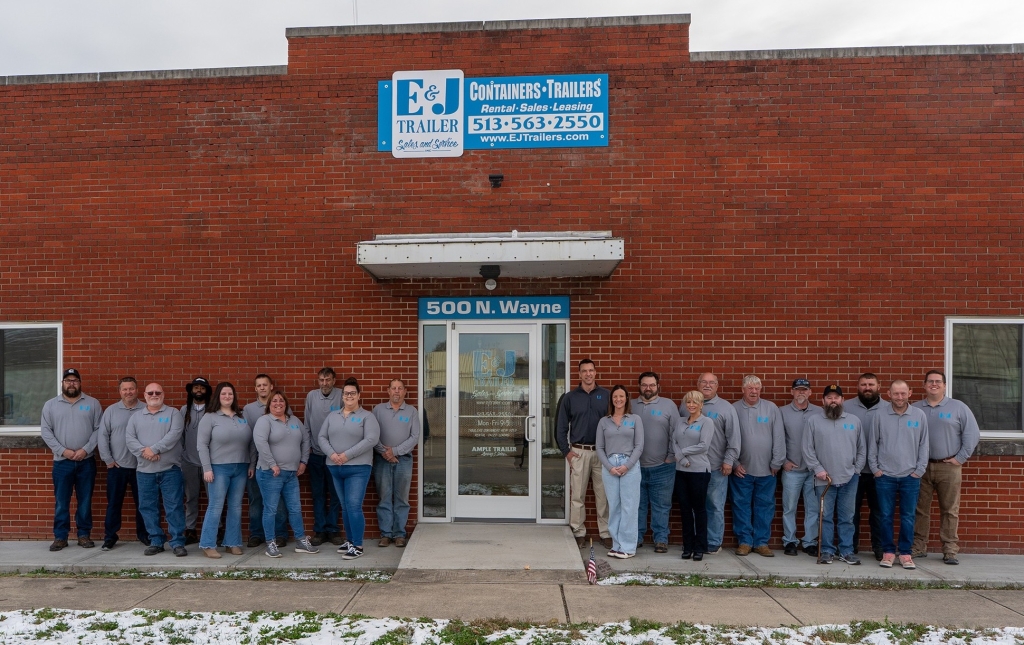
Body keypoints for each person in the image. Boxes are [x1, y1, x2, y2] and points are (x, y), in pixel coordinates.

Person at [912, 370, 980, 565]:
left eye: (938, 382)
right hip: (922, 467)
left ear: (944, 385)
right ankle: (919, 547)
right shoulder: (916, 409)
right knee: (920, 509)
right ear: (924, 385)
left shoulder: (958, 407)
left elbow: (972, 434)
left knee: (950, 509)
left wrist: (960, 458)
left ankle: (950, 549)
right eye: (930, 382)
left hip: (948, 467)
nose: (934, 384)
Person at [802, 385, 866, 565]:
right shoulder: (814, 421)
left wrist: (856, 470)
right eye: (829, 398)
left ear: (842, 400)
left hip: (849, 478)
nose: (833, 401)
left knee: (847, 518)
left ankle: (846, 551)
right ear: (823, 401)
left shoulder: (854, 421)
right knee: (826, 517)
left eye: (836, 398)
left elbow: (862, 449)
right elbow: (808, 449)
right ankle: (827, 551)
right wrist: (818, 469)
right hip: (824, 479)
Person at [40, 368, 103, 551]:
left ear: (80, 383)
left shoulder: (92, 403)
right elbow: (46, 431)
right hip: (62, 462)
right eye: (68, 380)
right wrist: (63, 451)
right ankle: (60, 537)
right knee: (61, 501)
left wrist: (85, 450)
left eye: (75, 380)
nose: (71, 383)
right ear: (62, 383)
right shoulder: (50, 405)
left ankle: (84, 535)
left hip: (86, 462)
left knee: (85, 500)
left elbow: (99, 430)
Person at [869, 379, 929, 569]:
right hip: (885, 476)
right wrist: (875, 469)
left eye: (903, 393)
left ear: (910, 393)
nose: (900, 397)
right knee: (885, 516)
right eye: (896, 393)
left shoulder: (919, 415)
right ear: (889, 394)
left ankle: (905, 553)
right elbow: (873, 444)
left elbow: (924, 445)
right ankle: (888, 552)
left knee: (908, 516)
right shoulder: (879, 415)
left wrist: (919, 470)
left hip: (910, 476)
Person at [319, 377, 380, 560]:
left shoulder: (367, 417)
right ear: (342, 396)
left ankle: (358, 545)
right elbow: (321, 437)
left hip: (358, 468)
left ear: (359, 395)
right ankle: (350, 540)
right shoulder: (332, 416)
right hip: (335, 467)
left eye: (353, 393)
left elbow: (371, 440)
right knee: (345, 507)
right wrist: (332, 455)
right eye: (346, 393)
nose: (349, 396)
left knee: (353, 506)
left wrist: (347, 455)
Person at [253, 390, 319, 558]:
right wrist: (272, 464)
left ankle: (301, 541)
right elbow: (261, 443)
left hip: (291, 474)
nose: (278, 403)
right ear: (269, 404)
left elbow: (305, 440)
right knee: (271, 510)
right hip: (270, 473)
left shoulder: (294, 420)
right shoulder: (265, 420)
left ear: (286, 403)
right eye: (274, 401)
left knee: (295, 508)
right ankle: (271, 544)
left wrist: (303, 461)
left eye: (281, 400)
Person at [556, 359, 613, 549]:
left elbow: (614, 424)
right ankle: (578, 532)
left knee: (603, 495)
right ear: (579, 374)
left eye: (591, 370)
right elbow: (561, 427)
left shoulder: (606, 395)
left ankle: (605, 533)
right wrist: (567, 452)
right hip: (579, 451)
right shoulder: (570, 398)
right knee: (577, 496)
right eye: (584, 371)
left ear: (596, 373)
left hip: (602, 453)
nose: (588, 374)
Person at [125, 383, 188, 557]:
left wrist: (154, 449)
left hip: (170, 470)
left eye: (157, 392)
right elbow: (130, 439)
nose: (154, 395)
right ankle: (156, 540)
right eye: (150, 392)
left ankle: (177, 542)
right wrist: (145, 453)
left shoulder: (173, 413)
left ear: (163, 394)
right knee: (147, 507)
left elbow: (174, 435)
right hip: (144, 471)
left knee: (174, 506)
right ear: (144, 395)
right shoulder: (136, 417)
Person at [196, 382, 254, 558]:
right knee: (216, 506)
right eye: (224, 394)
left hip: (241, 467)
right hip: (218, 468)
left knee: (236, 506)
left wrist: (251, 464)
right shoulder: (210, 417)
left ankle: (232, 542)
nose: (227, 397)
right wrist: (207, 468)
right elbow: (201, 445)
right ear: (218, 397)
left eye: (230, 394)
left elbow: (251, 443)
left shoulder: (241, 417)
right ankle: (207, 544)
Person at [730, 375, 785, 557]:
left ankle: (761, 542)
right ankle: (745, 541)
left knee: (765, 506)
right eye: (750, 388)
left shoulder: (771, 408)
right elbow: (727, 437)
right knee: (741, 505)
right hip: (741, 470)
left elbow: (778, 437)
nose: (754, 391)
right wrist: (735, 464)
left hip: (768, 470)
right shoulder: (734, 409)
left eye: (757, 388)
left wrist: (777, 462)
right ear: (743, 389)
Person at [97, 376, 149, 551]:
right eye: (125, 389)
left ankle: (144, 535)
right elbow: (102, 436)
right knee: (113, 503)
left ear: (137, 390)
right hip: (117, 467)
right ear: (120, 392)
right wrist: (108, 460)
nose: (128, 392)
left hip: (141, 467)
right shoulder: (111, 411)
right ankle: (110, 537)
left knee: (143, 503)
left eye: (131, 388)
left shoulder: (146, 409)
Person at [691, 373, 740, 555]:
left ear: (717, 386)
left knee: (714, 505)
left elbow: (734, 439)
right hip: (693, 468)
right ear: (698, 384)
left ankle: (712, 541)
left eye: (711, 382)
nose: (707, 385)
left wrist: (729, 461)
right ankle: (697, 540)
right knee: (696, 506)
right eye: (703, 382)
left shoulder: (726, 408)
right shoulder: (688, 404)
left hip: (716, 467)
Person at [631, 371, 679, 553]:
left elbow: (676, 432)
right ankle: (637, 537)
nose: (648, 388)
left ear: (658, 386)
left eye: (652, 385)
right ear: (639, 386)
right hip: (635, 467)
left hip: (663, 467)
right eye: (644, 385)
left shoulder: (669, 405)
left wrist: (671, 456)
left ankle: (661, 539)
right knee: (638, 505)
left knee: (661, 506)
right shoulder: (631, 405)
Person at [596, 384, 644, 559]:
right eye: (615, 396)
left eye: (621, 396)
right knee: (614, 506)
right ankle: (617, 545)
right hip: (610, 465)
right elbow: (599, 447)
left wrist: (627, 465)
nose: (618, 399)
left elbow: (639, 446)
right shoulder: (604, 421)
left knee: (629, 507)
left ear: (626, 399)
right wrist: (610, 467)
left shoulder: (635, 419)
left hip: (629, 465)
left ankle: (628, 547)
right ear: (611, 399)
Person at [372, 378, 420, 548]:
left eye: (400, 388)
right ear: (388, 391)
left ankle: (399, 534)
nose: (397, 392)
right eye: (394, 388)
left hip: (404, 460)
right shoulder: (378, 410)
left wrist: (396, 451)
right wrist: (385, 452)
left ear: (405, 391)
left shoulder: (411, 411)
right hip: (382, 460)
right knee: (384, 497)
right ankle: (386, 534)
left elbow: (415, 436)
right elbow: (372, 435)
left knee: (402, 498)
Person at [242, 374, 288, 548]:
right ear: (255, 388)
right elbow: (248, 438)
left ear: (271, 386)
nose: (262, 388)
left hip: (278, 463)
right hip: (257, 461)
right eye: (258, 385)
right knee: (256, 499)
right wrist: (252, 463)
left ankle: (280, 534)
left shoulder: (280, 405)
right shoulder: (248, 409)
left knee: (279, 500)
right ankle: (256, 534)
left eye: (265, 385)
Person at [780, 378, 823, 557]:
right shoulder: (781, 412)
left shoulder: (820, 412)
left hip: (813, 471)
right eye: (797, 390)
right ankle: (790, 541)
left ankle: (810, 542)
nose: (801, 393)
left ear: (810, 393)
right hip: (792, 469)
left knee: (812, 508)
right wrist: (783, 461)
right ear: (792, 392)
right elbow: (777, 438)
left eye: (804, 390)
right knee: (789, 507)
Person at [304, 367, 344, 546]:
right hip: (316, 455)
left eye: (328, 380)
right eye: (321, 380)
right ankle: (320, 530)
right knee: (318, 494)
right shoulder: (311, 396)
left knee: (336, 494)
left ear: (334, 380)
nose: (324, 383)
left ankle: (333, 530)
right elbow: (306, 424)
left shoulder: (342, 395)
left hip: (336, 456)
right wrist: (307, 450)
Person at [846, 372, 884, 560]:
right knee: (851, 513)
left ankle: (878, 548)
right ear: (858, 386)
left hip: (880, 472)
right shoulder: (846, 407)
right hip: (854, 471)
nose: (867, 388)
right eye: (863, 384)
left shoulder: (889, 407)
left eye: (870, 384)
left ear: (879, 386)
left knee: (878, 513)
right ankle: (850, 548)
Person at [672, 391, 714, 561]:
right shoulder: (680, 421)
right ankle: (687, 546)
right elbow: (674, 441)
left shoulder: (706, 422)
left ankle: (700, 547)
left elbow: (703, 446)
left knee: (699, 509)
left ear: (701, 404)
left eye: (695, 402)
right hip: (682, 470)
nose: (691, 405)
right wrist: (681, 458)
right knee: (684, 510)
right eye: (688, 402)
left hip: (699, 471)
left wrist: (683, 452)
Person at [180, 376, 212, 545]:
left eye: (202, 387)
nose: (199, 390)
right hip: (189, 462)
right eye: (196, 387)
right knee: (191, 497)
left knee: (213, 498)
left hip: (210, 463)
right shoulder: (183, 410)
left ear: (207, 391)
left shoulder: (213, 410)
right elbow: (180, 437)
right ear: (191, 390)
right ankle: (190, 530)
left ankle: (216, 529)